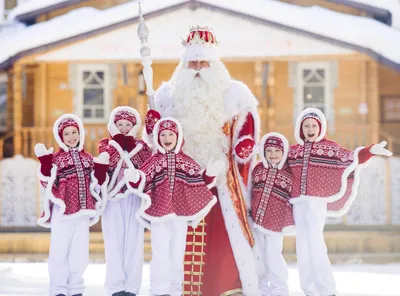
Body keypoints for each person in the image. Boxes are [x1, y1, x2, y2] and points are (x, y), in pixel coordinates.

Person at [145, 25, 261, 295]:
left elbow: (248, 131)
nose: (197, 68)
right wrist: (151, 129)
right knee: (177, 242)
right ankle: (177, 288)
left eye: (203, 62)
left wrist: (243, 148)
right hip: (179, 185)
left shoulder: (236, 95)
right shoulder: (165, 98)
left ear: (215, 63)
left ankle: (224, 287)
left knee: (222, 241)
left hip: (220, 181)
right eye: (192, 62)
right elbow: (155, 144)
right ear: (184, 65)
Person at [287, 108, 392, 296]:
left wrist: (370, 150)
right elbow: (277, 163)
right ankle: (309, 289)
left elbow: (350, 157)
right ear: (300, 129)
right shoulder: (293, 151)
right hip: (298, 203)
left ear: (320, 128)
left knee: (315, 242)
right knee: (302, 246)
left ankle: (327, 290)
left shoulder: (330, 148)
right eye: (306, 126)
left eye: (314, 126)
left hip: (316, 202)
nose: (310, 129)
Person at [125, 117, 221, 296]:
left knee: (177, 254)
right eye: (163, 134)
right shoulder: (154, 161)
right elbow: (143, 179)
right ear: (157, 137)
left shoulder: (186, 161)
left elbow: (199, 181)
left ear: (178, 137)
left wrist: (209, 175)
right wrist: (134, 177)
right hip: (159, 214)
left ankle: (175, 290)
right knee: (160, 253)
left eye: (171, 134)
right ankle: (159, 290)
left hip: (180, 214)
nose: (167, 137)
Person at [34, 114, 108, 296]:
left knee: (79, 253)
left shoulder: (88, 159)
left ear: (80, 133)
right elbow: (46, 182)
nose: (71, 136)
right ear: (60, 137)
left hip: (82, 212)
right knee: (60, 250)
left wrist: (100, 172)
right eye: (66, 134)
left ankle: (76, 288)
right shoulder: (56, 160)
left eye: (74, 132)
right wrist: (44, 164)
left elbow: (97, 184)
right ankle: (59, 288)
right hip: (63, 211)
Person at [98, 106, 152, 296]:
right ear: (112, 126)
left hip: (134, 197)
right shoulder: (106, 144)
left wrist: (130, 147)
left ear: (135, 126)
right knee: (113, 241)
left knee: (134, 242)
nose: (123, 128)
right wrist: (118, 145)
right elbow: (107, 165)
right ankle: (115, 286)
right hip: (112, 198)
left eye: (128, 125)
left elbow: (145, 167)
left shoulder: (142, 147)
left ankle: (131, 287)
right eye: (119, 125)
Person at [250, 133, 294, 296]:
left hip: (276, 222)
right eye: (269, 151)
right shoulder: (258, 170)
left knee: (273, 255)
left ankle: (279, 288)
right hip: (257, 219)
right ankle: (262, 288)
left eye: (277, 151)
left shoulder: (288, 173)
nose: (273, 155)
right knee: (259, 254)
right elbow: (250, 190)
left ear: (283, 152)